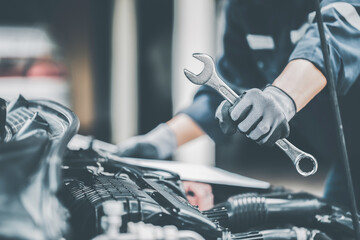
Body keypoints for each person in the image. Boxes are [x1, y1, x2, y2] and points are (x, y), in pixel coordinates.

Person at [117, 0, 360, 211]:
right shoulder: (243, 8)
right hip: (347, 160)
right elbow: (228, 86)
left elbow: (336, 34)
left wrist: (280, 97)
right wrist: (162, 140)